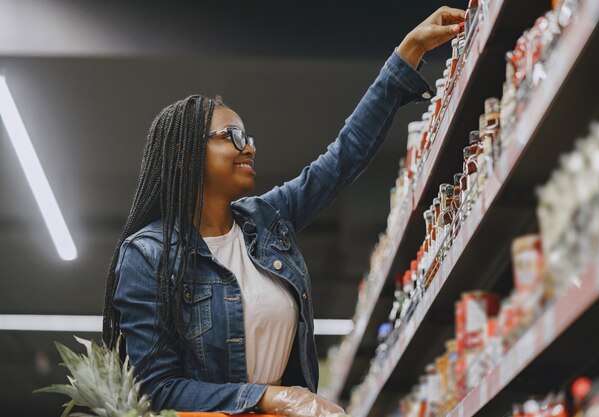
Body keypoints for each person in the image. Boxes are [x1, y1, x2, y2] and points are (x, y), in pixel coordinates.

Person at [102, 6, 465, 416]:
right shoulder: (148, 256)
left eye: (248, 136)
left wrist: (408, 52)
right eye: (232, 136)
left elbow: (342, 158)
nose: (249, 147)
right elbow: (158, 389)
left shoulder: (266, 220)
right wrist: (270, 397)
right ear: (185, 156)